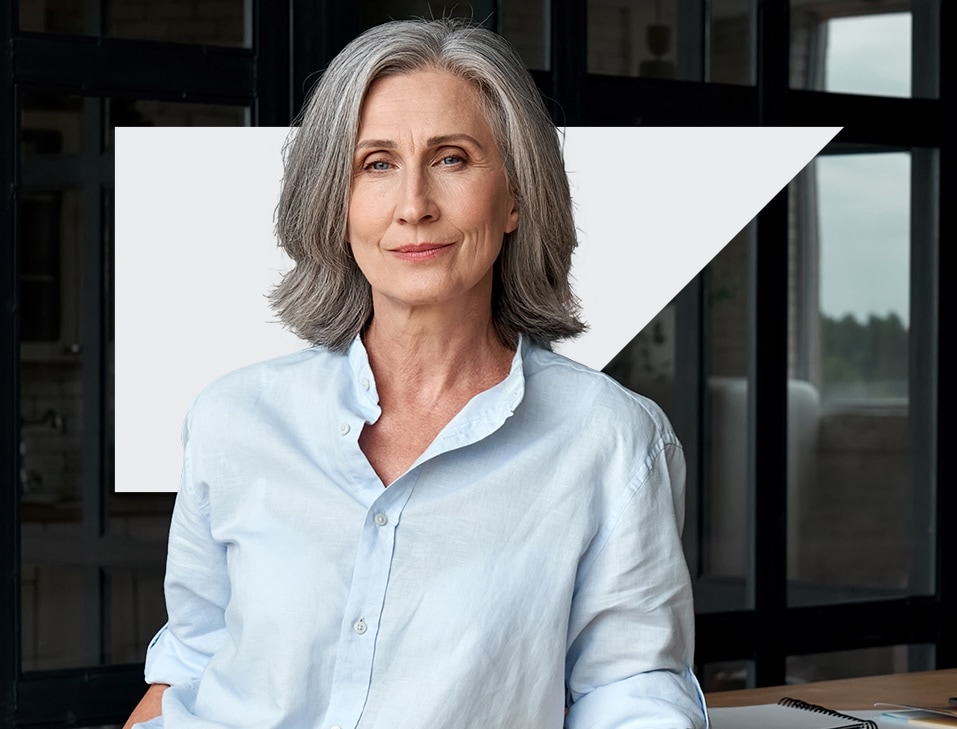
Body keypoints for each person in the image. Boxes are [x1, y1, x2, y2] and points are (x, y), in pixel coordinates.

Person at [124, 17, 708, 729]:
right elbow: (187, 665)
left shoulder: (611, 441)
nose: (413, 206)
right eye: (376, 164)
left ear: (517, 197)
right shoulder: (232, 417)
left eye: (453, 159)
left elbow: (631, 694)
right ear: (337, 207)